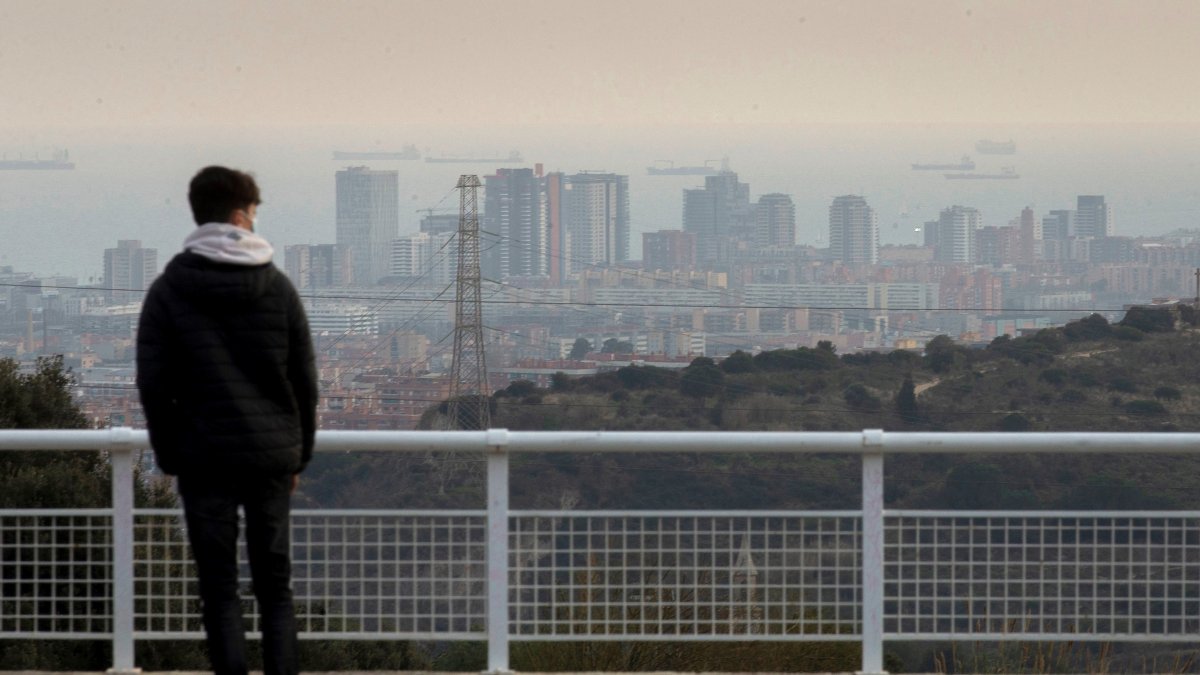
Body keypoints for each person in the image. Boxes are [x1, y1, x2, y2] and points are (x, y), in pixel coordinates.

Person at [136, 166, 318, 675]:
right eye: (255, 213)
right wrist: (298, 454)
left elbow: (153, 385)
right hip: (270, 459)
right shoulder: (278, 288)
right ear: (241, 215)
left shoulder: (168, 291)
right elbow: (304, 380)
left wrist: (170, 454)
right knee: (274, 587)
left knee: (218, 590)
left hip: (202, 457)